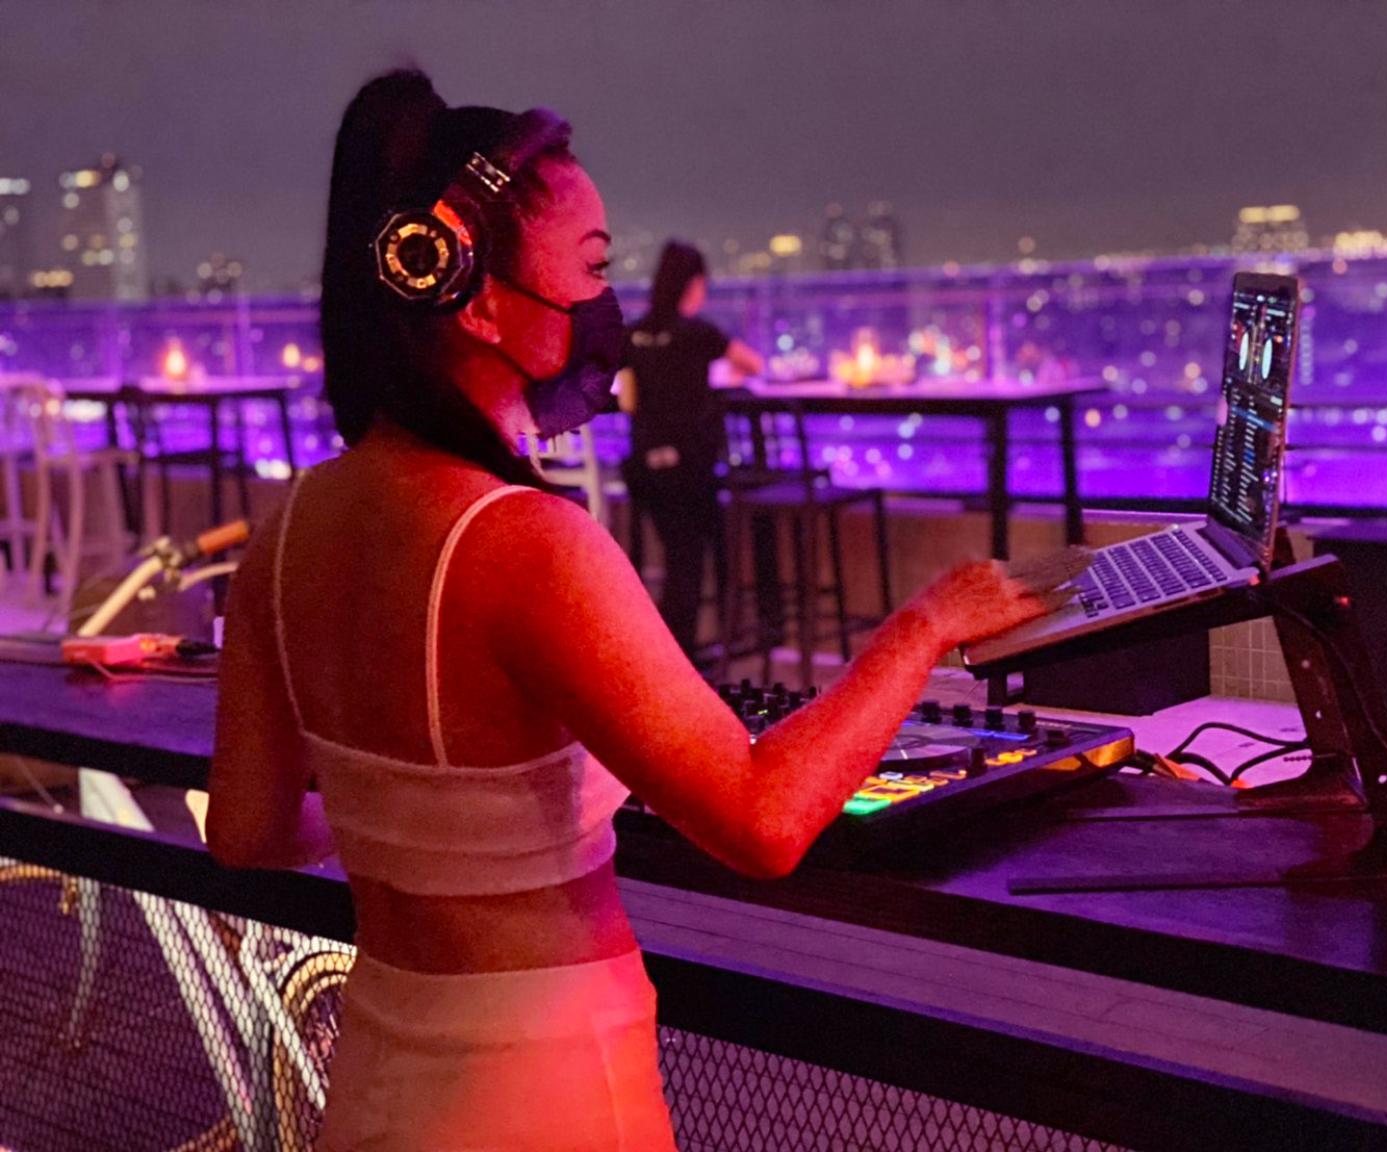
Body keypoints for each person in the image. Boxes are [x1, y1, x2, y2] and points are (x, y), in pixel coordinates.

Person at [207, 69, 1067, 1152]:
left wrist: (422, 828)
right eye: (592, 267)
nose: (603, 304)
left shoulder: (286, 530)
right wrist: (923, 627)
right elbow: (759, 821)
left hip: (381, 1076)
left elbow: (244, 833)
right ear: (473, 296)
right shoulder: (527, 545)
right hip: (544, 1090)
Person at [618, 241, 762, 661]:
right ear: (695, 284)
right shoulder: (699, 334)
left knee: (679, 552)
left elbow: (628, 402)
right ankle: (681, 657)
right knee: (690, 556)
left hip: (644, 469)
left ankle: (670, 652)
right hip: (689, 468)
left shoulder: (632, 334)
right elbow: (753, 365)